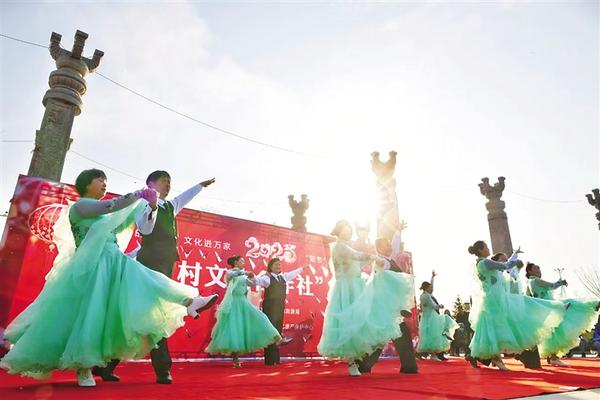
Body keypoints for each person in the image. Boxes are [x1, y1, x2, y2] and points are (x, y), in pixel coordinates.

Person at [0, 169, 215, 386]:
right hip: (93, 266)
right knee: (88, 315)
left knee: (147, 281)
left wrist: (148, 206)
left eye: (105, 180)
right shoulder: (81, 206)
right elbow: (112, 206)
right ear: (86, 184)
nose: (104, 183)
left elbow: (126, 221)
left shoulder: (108, 215)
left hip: (114, 260)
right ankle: (83, 368)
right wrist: (139, 195)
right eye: (100, 179)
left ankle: (189, 301)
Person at [92, 170, 219, 384]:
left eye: (170, 181)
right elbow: (145, 229)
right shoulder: (143, 203)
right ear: (151, 184)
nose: (168, 184)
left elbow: (183, 198)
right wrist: (152, 207)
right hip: (150, 261)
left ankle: (106, 366)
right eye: (164, 181)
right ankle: (188, 306)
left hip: (166, 262)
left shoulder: (170, 206)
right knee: (156, 315)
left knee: (145, 315)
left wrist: (199, 186)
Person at [317, 220, 413, 376]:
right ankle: (353, 362)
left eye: (349, 229)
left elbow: (357, 263)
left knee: (362, 323)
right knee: (351, 324)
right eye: (345, 229)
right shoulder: (340, 247)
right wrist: (373, 257)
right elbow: (356, 256)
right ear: (338, 231)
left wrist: (372, 260)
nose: (348, 232)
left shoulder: (345, 247)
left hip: (356, 286)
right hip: (347, 290)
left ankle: (359, 362)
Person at [467, 240, 566, 371]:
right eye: (486, 247)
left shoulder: (481, 263)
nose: (489, 249)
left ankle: (491, 358)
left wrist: (514, 259)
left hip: (494, 298)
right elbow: (505, 266)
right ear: (480, 250)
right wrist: (515, 262)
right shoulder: (485, 262)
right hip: (495, 299)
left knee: (494, 328)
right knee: (496, 327)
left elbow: (504, 270)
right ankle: (494, 358)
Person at [357, 224, 417, 374]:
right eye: (386, 244)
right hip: (384, 308)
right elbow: (380, 269)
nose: (390, 246)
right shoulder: (382, 262)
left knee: (395, 336)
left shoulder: (390, 259)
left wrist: (398, 232)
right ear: (379, 248)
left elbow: (395, 246)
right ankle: (363, 364)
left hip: (392, 309)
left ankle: (408, 366)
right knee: (383, 337)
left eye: (389, 243)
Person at [206, 256, 281, 368]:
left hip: (243, 302)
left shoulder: (243, 276)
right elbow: (232, 275)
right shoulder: (230, 273)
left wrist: (262, 277)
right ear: (236, 262)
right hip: (233, 304)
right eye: (242, 261)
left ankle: (276, 336)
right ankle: (235, 359)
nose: (244, 263)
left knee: (260, 316)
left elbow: (252, 282)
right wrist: (246, 272)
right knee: (235, 329)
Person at [526, 262, 600, 366]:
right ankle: (592, 305)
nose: (539, 270)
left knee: (554, 332)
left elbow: (528, 298)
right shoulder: (535, 280)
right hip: (550, 307)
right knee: (571, 304)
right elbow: (552, 285)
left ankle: (553, 357)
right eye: (536, 268)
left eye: (539, 268)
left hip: (545, 309)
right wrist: (561, 282)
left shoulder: (529, 283)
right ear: (529, 271)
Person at [255, 258, 305, 365]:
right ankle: (269, 360)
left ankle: (276, 359)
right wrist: (249, 277)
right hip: (269, 308)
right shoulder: (267, 278)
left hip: (280, 307)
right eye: (276, 265)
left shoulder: (283, 277)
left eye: (279, 265)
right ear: (270, 267)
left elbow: (293, 273)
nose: (278, 266)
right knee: (270, 332)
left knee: (277, 331)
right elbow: (257, 280)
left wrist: (302, 268)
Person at [417, 271, 459, 361]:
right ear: (426, 288)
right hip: (430, 317)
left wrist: (432, 277)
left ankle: (434, 354)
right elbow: (433, 306)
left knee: (432, 334)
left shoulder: (426, 295)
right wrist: (440, 306)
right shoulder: (426, 296)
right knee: (433, 334)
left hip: (428, 316)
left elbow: (431, 286)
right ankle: (433, 354)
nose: (432, 289)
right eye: (430, 287)